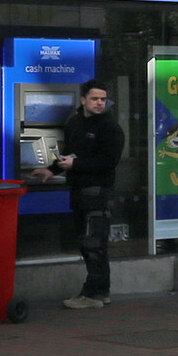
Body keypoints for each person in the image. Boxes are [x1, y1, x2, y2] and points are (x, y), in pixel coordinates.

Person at [52, 81, 125, 310]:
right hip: (78, 191)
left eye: (103, 99)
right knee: (85, 244)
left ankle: (94, 293)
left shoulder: (110, 127)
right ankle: (99, 291)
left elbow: (108, 162)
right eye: (95, 99)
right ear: (83, 100)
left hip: (98, 192)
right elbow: (68, 154)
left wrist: (76, 164)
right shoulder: (74, 123)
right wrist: (51, 169)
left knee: (94, 243)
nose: (99, 103)